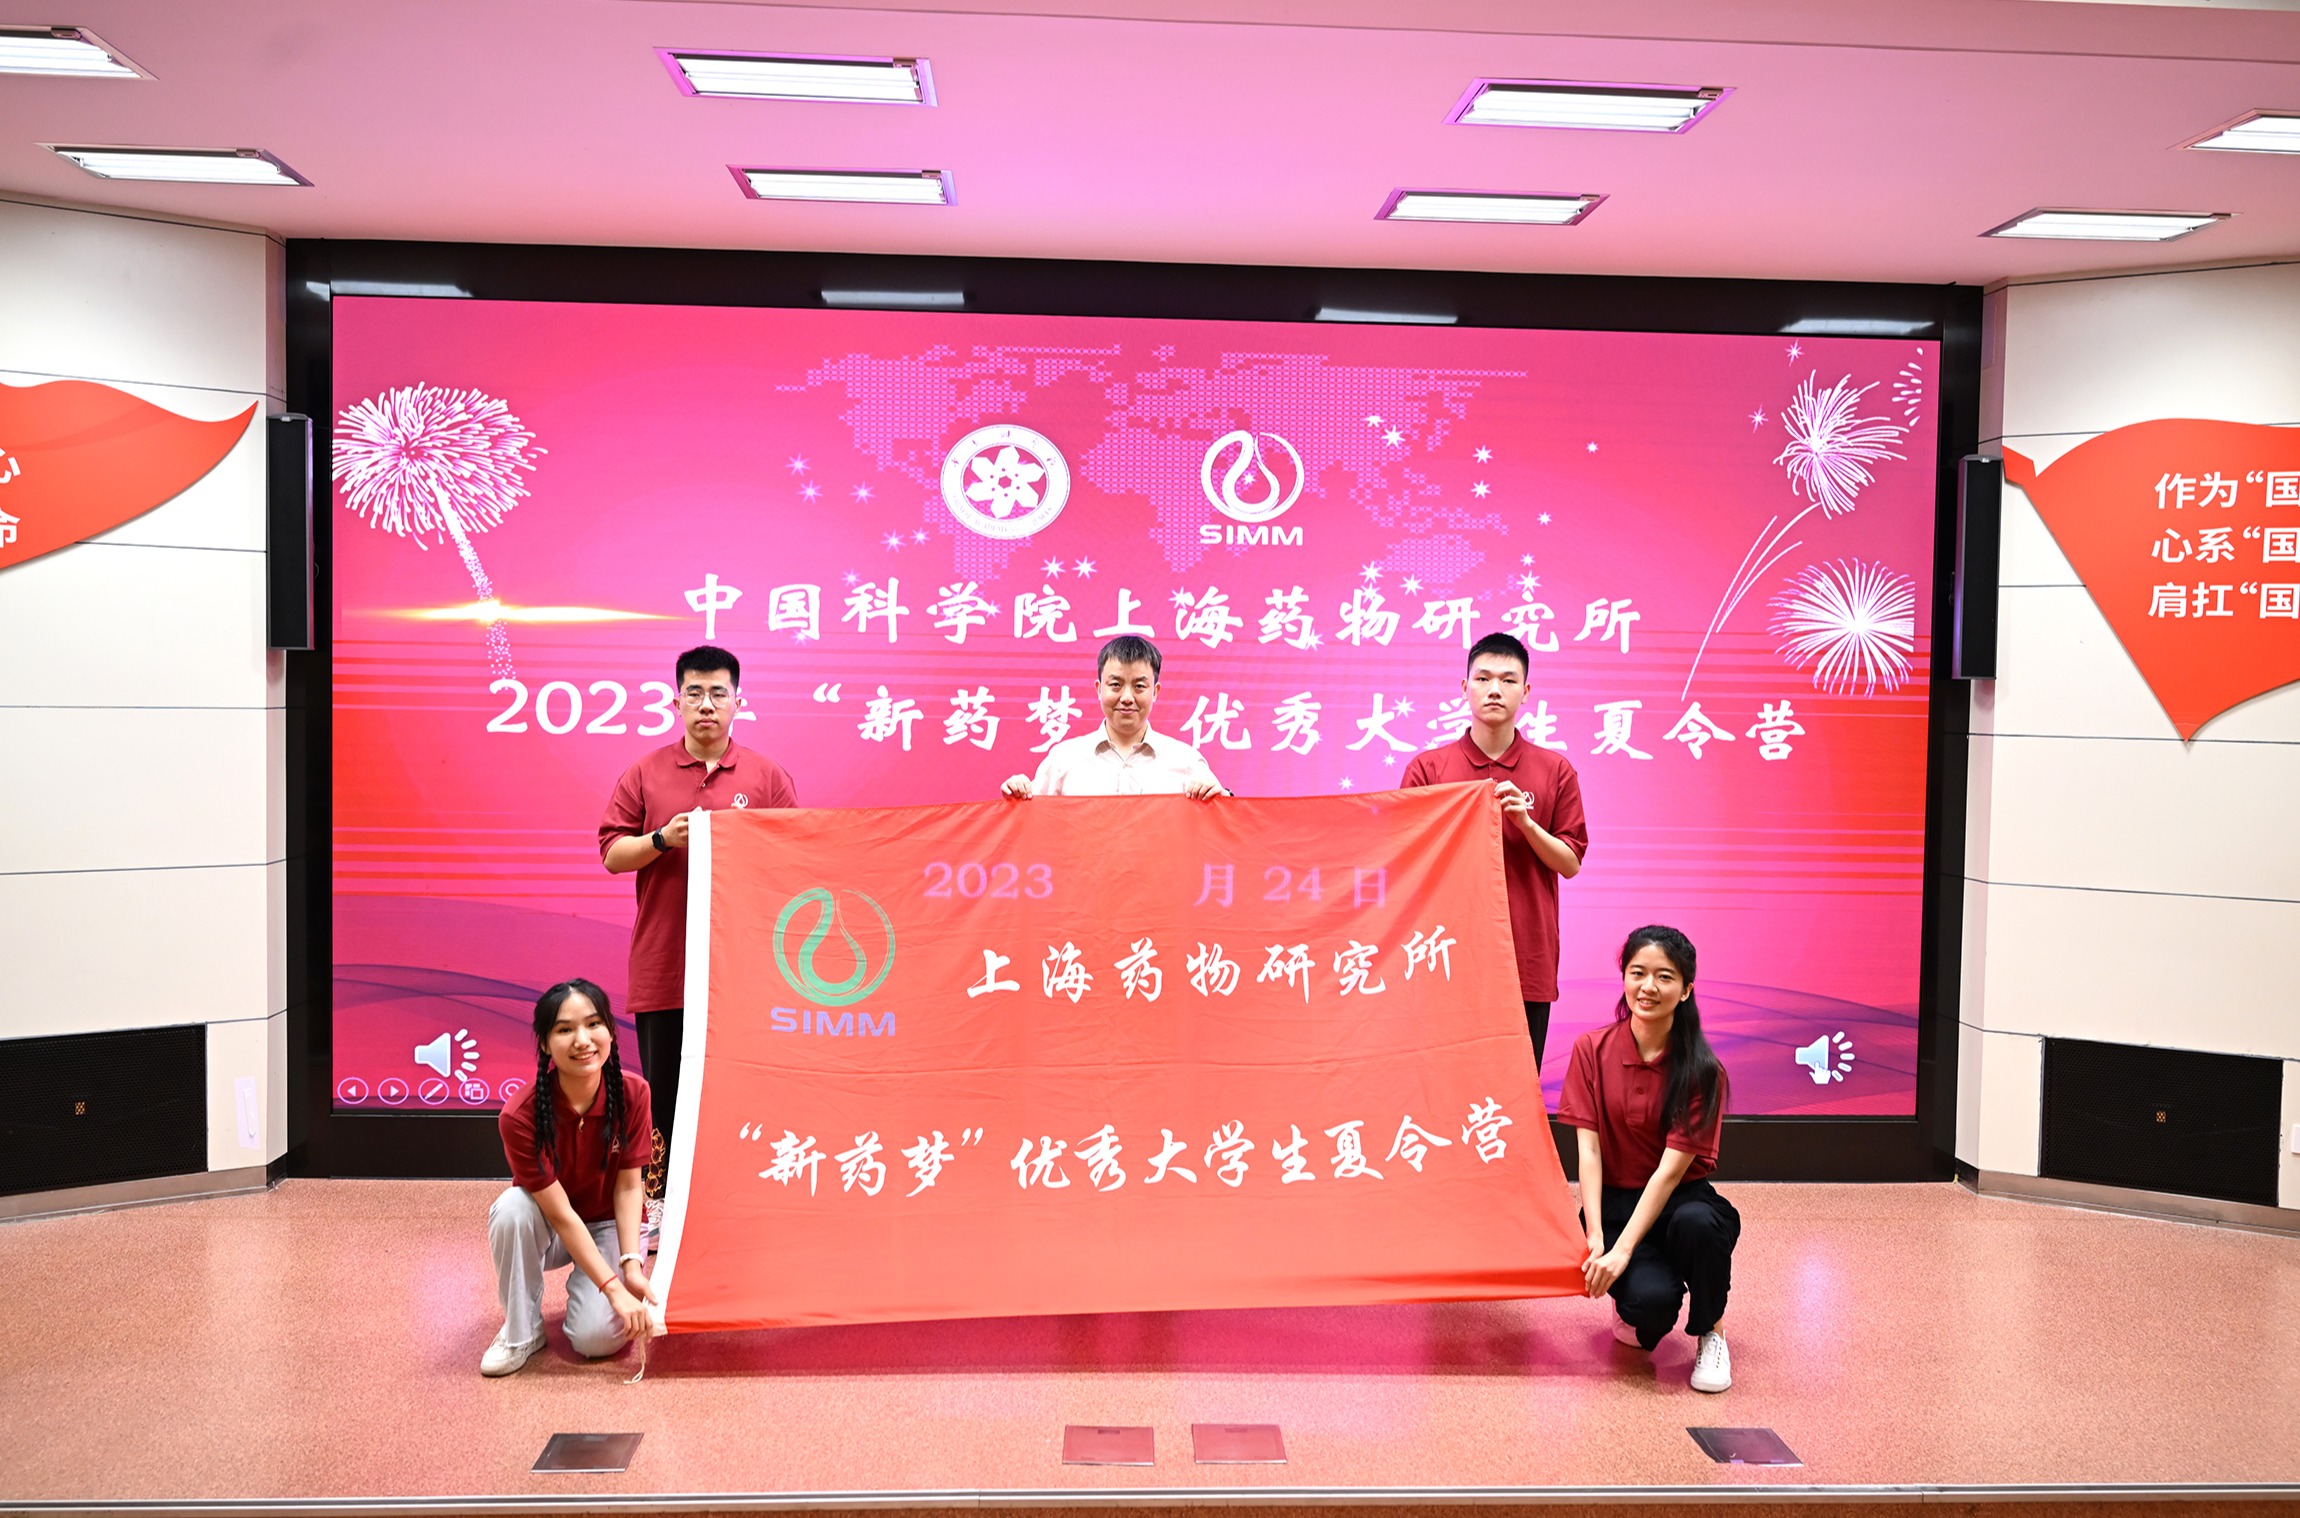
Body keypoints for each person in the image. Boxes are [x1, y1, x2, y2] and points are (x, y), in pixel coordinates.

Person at [599, 645, 797, 1225]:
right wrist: (663, 839)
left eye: (717, 693)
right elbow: (612, 854)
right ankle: (658, 1203)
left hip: (742, 967)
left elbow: (795, 856)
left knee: (739, 1084)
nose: (706, 704)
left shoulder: (766, 776)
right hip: (666, 964)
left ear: (738, 701)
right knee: (663, 1090)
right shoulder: (644, 773)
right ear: (676, 701)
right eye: (694, 693)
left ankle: (734, 1198)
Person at [1557, 924, 1739, 1394]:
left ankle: (1712, 1332)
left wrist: (1621, 1254)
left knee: (1700, 1226)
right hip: (1617, 1204)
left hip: (1680, 1202)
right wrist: (1597, 1236)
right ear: (1624, 977)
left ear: (1686, 989)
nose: (1648, 987)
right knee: (1648, 1314)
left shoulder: (1703, 1071)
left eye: (1665, 976)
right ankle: (1646, 1291)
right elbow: (1589, 1151)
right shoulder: (1590, 1050)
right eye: (1638, 973)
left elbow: (1668, 1174)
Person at [1400, 631, 1586, 1067]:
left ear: (1526, 691)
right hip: (1445, 955)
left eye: (1507, 680)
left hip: (1525, 958)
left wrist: (1526, 823)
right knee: (1445, 1086)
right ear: (1465, 687)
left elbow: (1570, 863)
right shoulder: (1428, 769)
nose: (1494, 690)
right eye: (1483, 679)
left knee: (1517, 1089)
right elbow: (1405, 858)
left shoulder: (1555, 769)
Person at [483, 978, 656, 1376]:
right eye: (565, 1030)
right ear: (545, 1044)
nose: (582, 1040)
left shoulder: (634, 1093)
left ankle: (593, 1296)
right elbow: (560, 1215)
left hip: (609, 1224)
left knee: (596, 1341)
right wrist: (612, 1289)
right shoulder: (519, 1116)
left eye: (594, 1024)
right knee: (512, 1209)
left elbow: (629, 1188)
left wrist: (630, 1266)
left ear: (610, 1031)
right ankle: (521, 1332)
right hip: (553, 1228)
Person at [999, 635, 1228, 799]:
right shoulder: (1064, 760)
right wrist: (1018, 794)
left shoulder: (1186, 761)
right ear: (1099, 689)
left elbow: (1223, 825)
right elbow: (1032, 823)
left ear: (1155, 692)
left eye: (1139, 686)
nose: (1127, 698)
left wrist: (1220, 797)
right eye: (1116, 685)